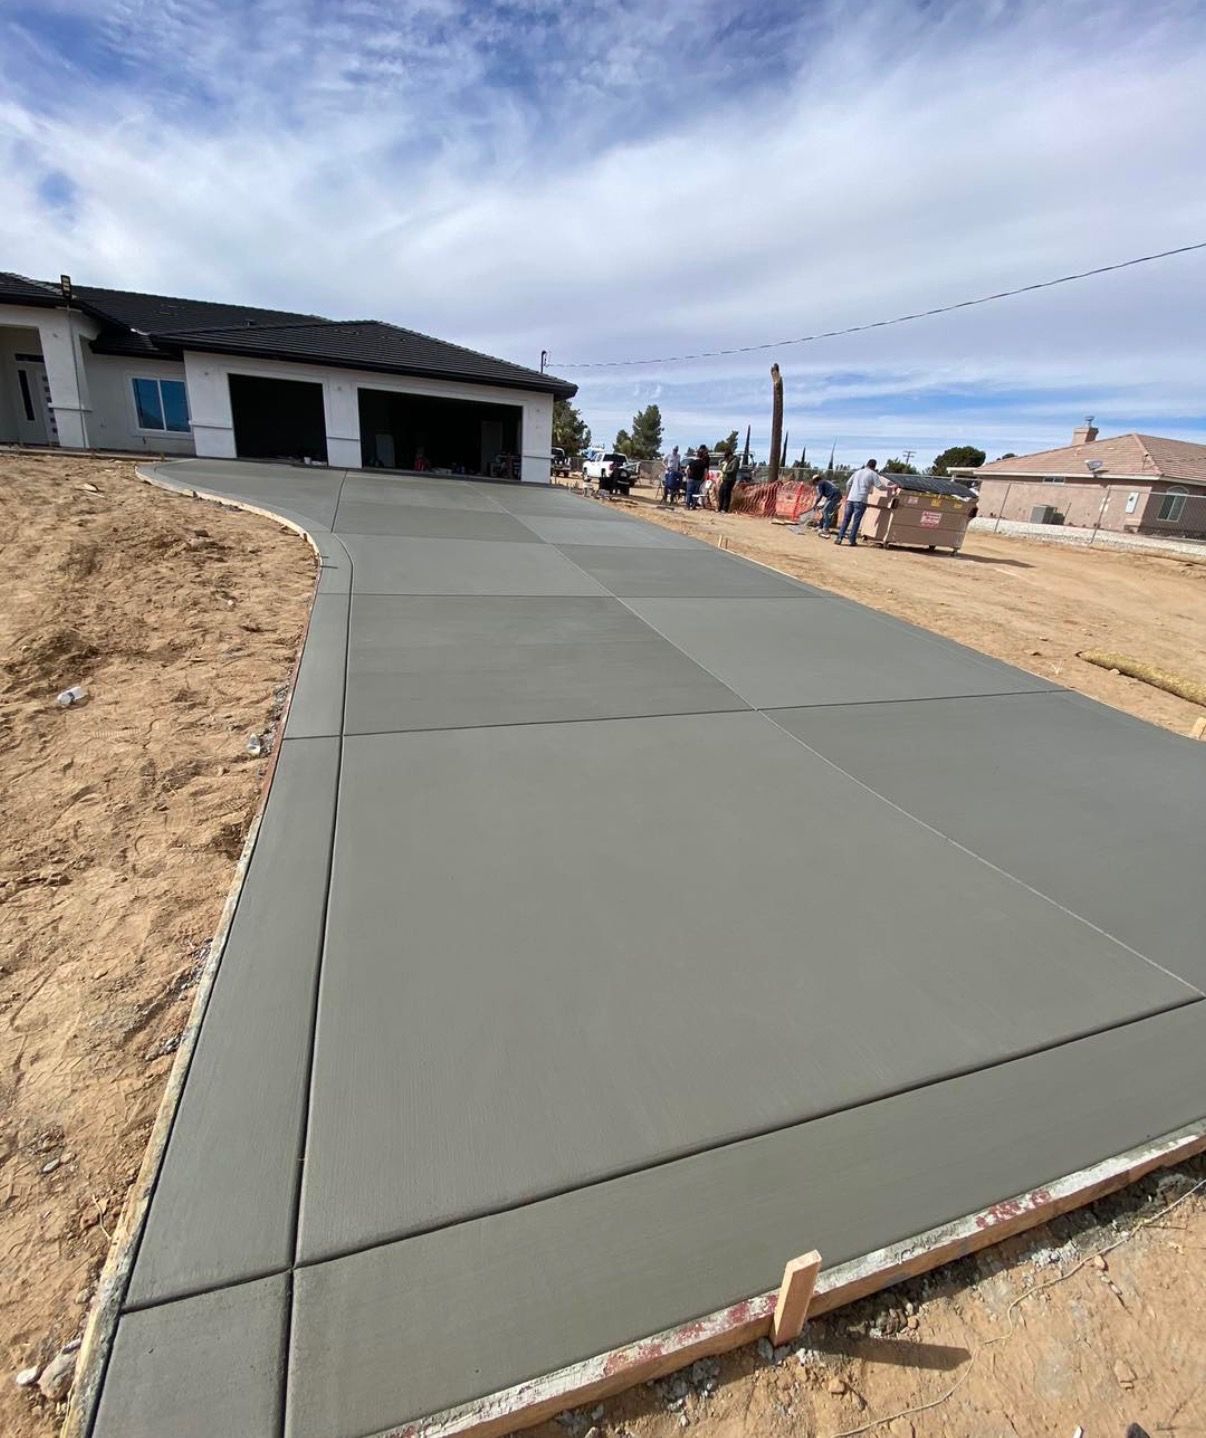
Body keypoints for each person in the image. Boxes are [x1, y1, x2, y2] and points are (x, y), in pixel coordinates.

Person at [835, 459, 888, 546]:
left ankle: (839, 538)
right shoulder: (873, 474)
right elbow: (880, 486)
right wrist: (890, 487)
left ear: (867, 464)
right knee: (856, 521)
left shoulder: (858, 472)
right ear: (874, 466)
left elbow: (848, 483)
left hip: (851, 498)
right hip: (861, 500)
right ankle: (852, 540)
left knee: (846, 519)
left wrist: (848, 494)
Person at [716, 445, 740, 512]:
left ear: (730, 455)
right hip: (725, 479)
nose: (726, 458)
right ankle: (719, 508)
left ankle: (725, 509)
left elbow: (733, 470)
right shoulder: (728, 461)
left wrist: (725, 471)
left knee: (726, 494)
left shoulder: (735, 461)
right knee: (721, 493)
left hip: (730, 480)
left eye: (727, 457)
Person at [685, 445, 709, 509]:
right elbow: (705, 472)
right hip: (698, 480)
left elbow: (687, 470)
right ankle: (693, 505)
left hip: (691, 479)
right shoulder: (703, 463)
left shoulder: (692, 462)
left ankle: (687, 505)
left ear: (697, 455)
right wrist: (703, 479)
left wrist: (687, 477)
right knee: (696, 493)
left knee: (689, 492)